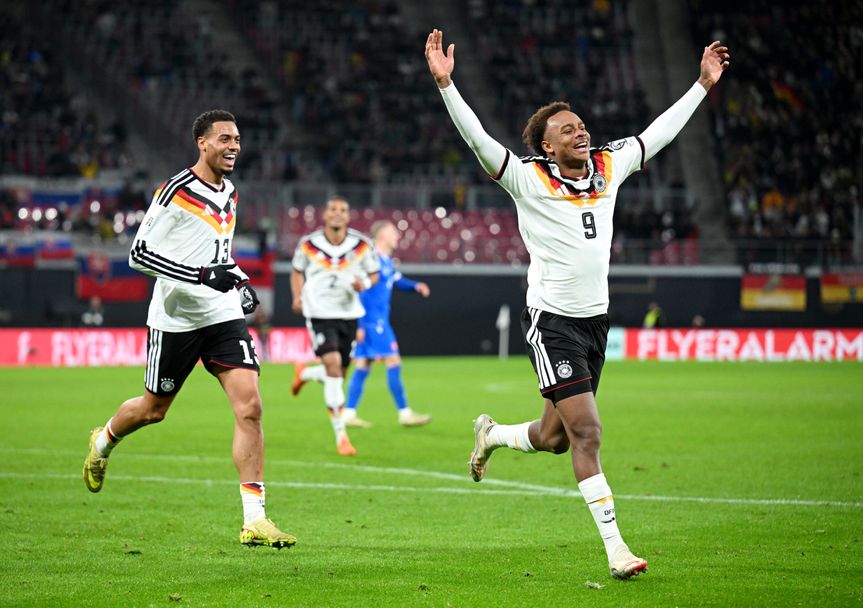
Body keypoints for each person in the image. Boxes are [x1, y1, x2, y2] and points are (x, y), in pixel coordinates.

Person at [425, 29, 730, 579]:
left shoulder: (609, 165)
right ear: (548, 146)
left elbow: (658, 134)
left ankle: (492, 434)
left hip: (595, 323)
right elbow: (478, 141)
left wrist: (702, 85)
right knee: (587, 433)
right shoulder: (526, 178)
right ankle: (617, 551)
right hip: (553, 323)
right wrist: (447, 86)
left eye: (581, 125)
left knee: (555, 438)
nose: (580, 132)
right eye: (567, 130)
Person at [82, 110, 295, 549]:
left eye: (237, 139)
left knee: (250, 407)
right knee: (153, 410)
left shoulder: (230, 192)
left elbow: (218, 252)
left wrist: (238, 281)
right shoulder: (175, 191)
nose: (234, 146)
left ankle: (254, 519)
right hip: (176, 318)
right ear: (202, 142)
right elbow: (139, 254)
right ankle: (102, 441)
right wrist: (199, 276)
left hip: (221, 313)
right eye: (225, 139)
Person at [290, 197, 380, 455]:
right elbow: (296, 271)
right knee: (332, 366)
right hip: (319, 312)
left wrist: (364, 283)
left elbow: (374, 274)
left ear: (348, 216)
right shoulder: (308, 244)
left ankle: (305, 374)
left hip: (349, 314)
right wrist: (297, 296)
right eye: (333, 209)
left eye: (343, 210)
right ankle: (341, 436)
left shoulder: (361, 244)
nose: (338, 214)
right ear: (325, 215)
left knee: (339, 373)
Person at [343, 220, 432, 428]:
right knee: (393, 361)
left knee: (363, 365)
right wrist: (361, 325)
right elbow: (361, 292)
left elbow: (397, 280)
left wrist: (415, 286)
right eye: (393, 232)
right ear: (382, 236)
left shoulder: (386, 261)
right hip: (373, 322)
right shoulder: (370, 259)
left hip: (378, 321)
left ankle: (348, 413)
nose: (397, 236)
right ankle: (405, 413)